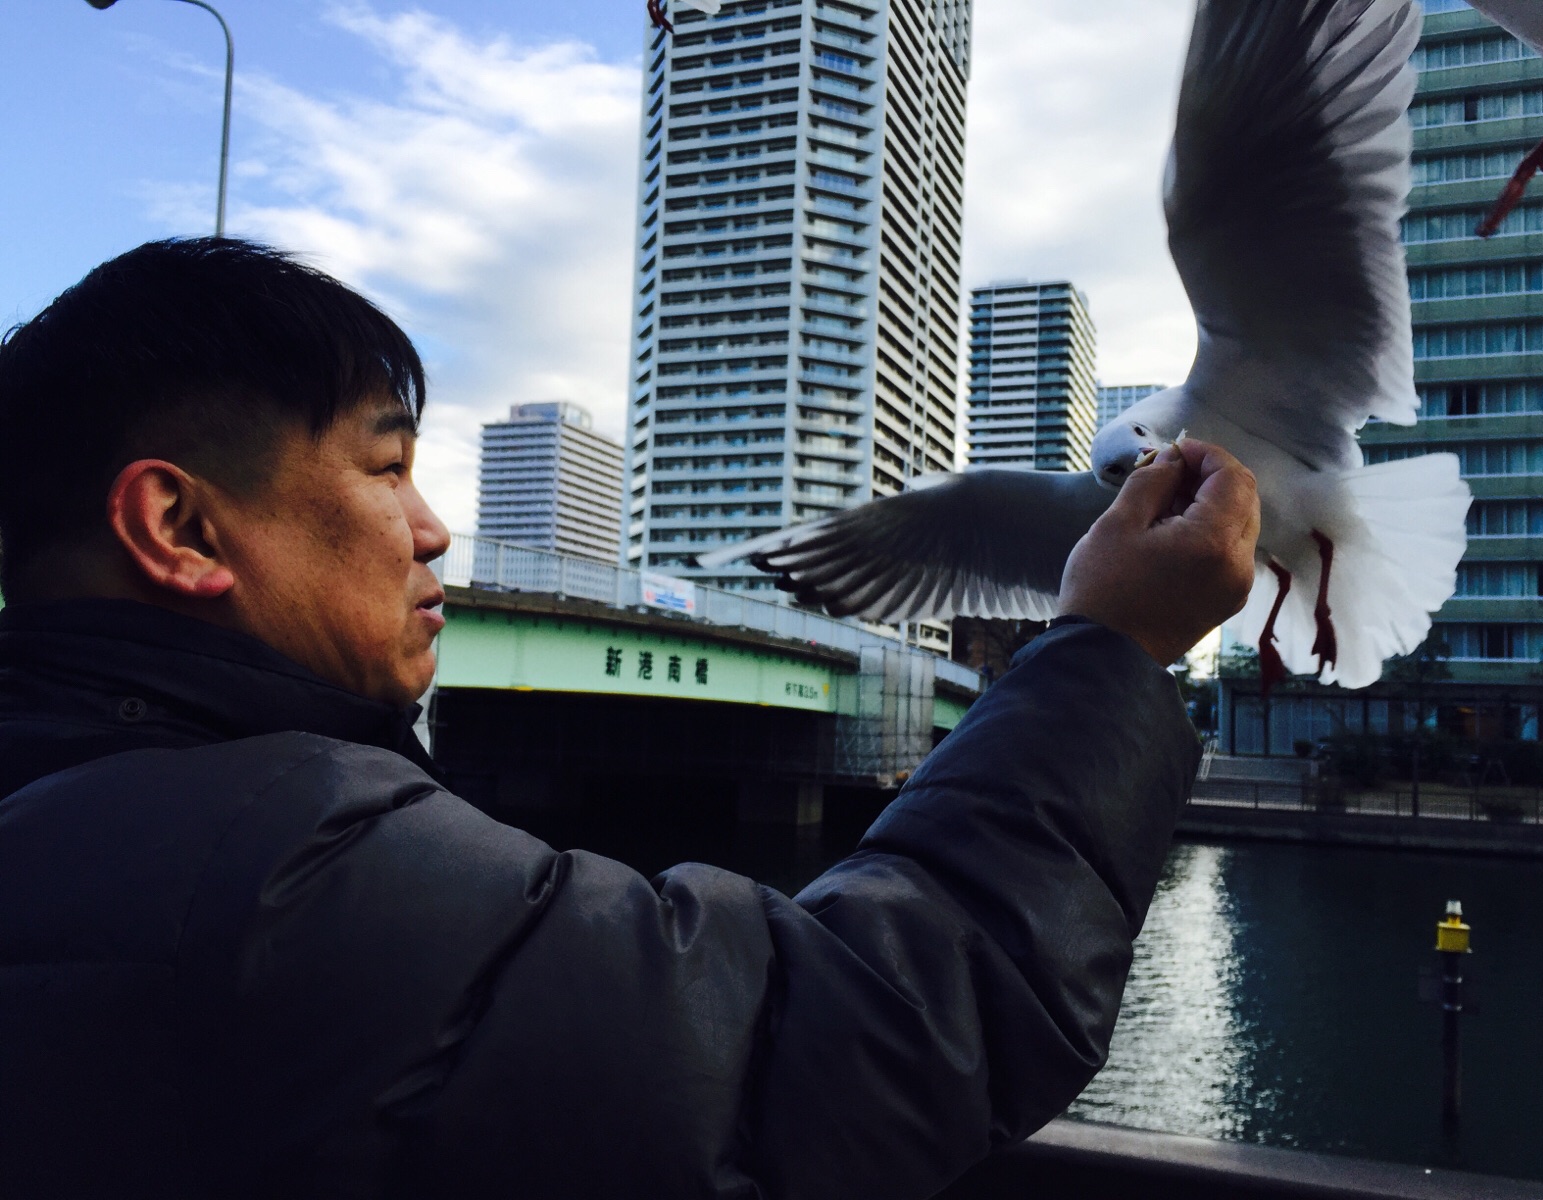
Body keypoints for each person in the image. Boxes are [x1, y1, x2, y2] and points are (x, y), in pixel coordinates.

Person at [0, 239, 1258, 1199]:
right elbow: (865, 1036)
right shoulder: (285, 868)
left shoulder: (75, 807)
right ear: (178, 527)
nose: (434, 529)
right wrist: (1109, 649)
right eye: (387, 470)